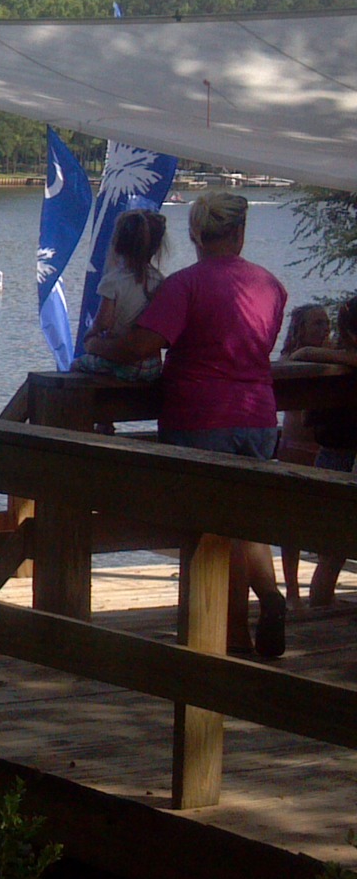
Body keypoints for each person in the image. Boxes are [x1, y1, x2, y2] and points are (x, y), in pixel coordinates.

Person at [84, 191, 289, 656]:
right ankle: (270, 599)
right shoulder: (271, 285)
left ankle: (231, 638)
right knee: (246, 522)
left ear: (196, 235)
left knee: (214, 532)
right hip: (258, 415)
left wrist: (96, 346)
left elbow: (141, 345)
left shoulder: (185, 285)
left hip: (200, 415)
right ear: (239, 234)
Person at [288, 299, 357, 607]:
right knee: (331, 550)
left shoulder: (330, 363)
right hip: (335, 454)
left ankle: (317, 608)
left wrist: (309, 353)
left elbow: (307, 418)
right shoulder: (337, 362)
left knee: (331, 551)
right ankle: (314, 604)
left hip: (334, 451)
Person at [275, 302, 331, 606]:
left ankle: (321, 586)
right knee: (291, 524)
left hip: (323, 448)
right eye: (316, 324)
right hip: (295, 449)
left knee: (325, 521)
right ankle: (293, 587)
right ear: (300, 328)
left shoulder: (333, 360)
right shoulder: (287, 362)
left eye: (326, 323)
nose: (324, 330)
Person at [72, 209, 168, 382]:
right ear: (156, 247)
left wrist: (91, 334)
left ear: (118, 244)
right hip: (151, 366)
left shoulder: (113, 281)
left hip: (121, 363)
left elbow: (104, 322)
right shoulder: (160, 281)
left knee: (76, 365)